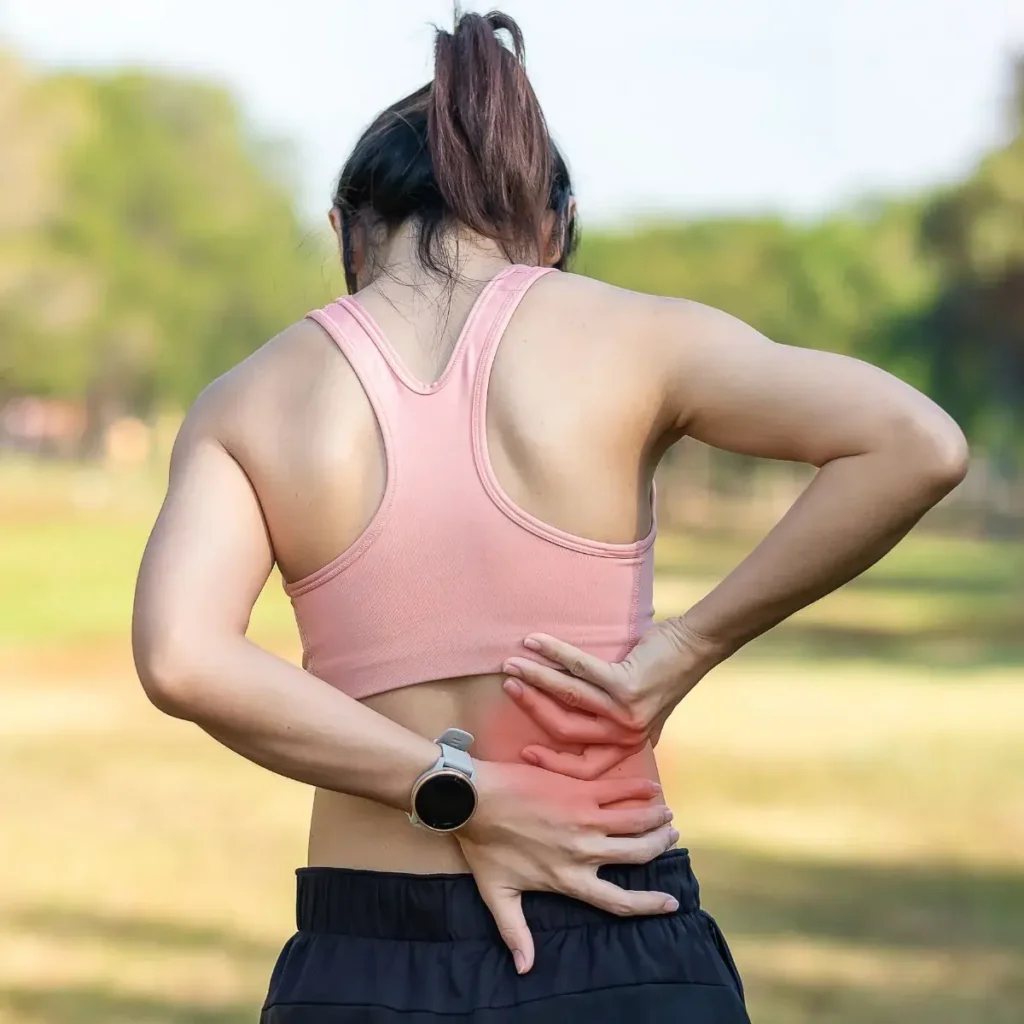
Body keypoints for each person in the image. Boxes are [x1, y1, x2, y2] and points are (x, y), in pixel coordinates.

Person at [131, 10, 968, 1023]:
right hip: (616, 926)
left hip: (362, 960)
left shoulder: (248, 397)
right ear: (553, 226)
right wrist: (686, 646)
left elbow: (182, 656)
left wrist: (451, 792)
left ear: (344, 230)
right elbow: (917, 443)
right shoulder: (636, 336)